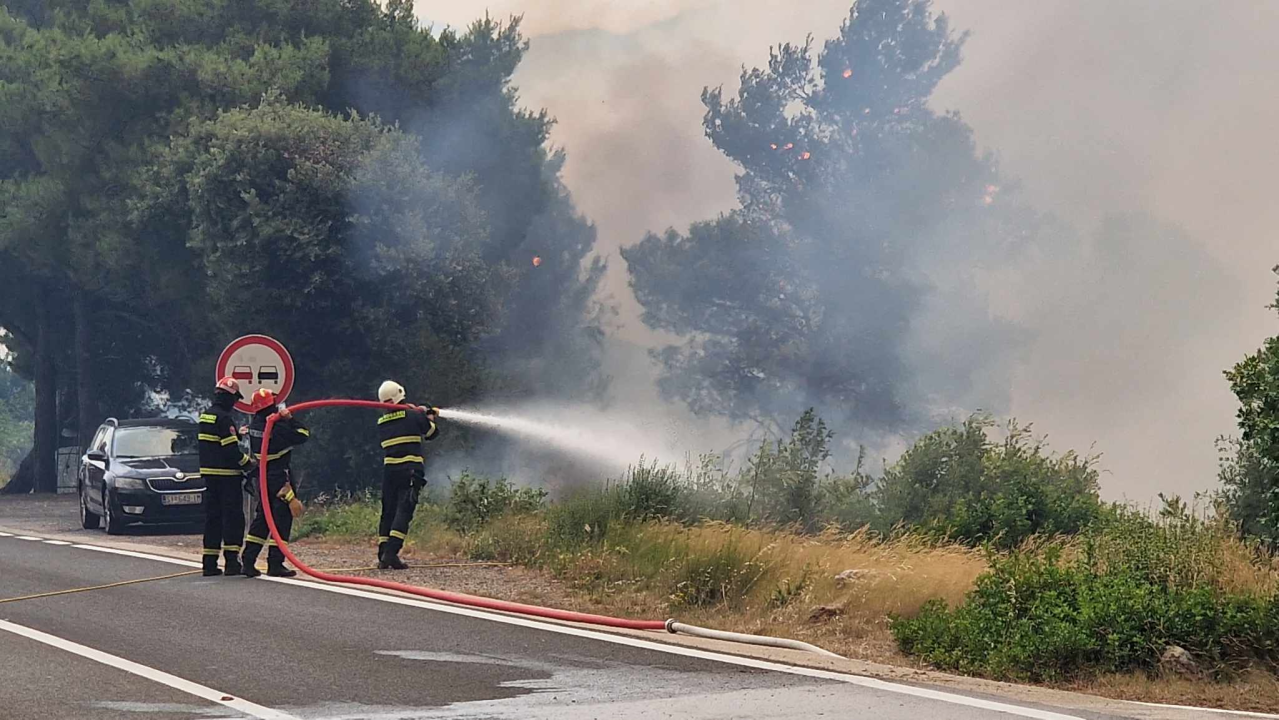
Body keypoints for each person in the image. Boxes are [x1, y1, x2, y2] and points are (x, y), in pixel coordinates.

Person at [241, 388, 310, 578]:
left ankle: (248, 560)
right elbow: (303, 434)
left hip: (262, 476)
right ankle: (275, 563)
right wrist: (289, 419)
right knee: (282, 519)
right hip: (279, 476)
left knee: (263, 519)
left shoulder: (254, 425)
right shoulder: (276, 426)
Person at [375, 380, 439, 570]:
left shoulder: (382, 422)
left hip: (390, 472)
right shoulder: (413, 415)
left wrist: (418, 412)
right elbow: (432, 433)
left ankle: (383, 553)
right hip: (410, 470)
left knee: (388, 511)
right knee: (404, 510)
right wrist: (429, 417)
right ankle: (391, 553)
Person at [198, 377, 253, 577]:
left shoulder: (206, 416)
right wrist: (249, 464)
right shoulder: (224, 419)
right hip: (228, 478)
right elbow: (230, 451)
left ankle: (209, 564)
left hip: (210, 477)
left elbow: (215, 442)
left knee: (213, 519)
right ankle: (231, 563)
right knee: (233, 519)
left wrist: (237, 434)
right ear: (229, 398)